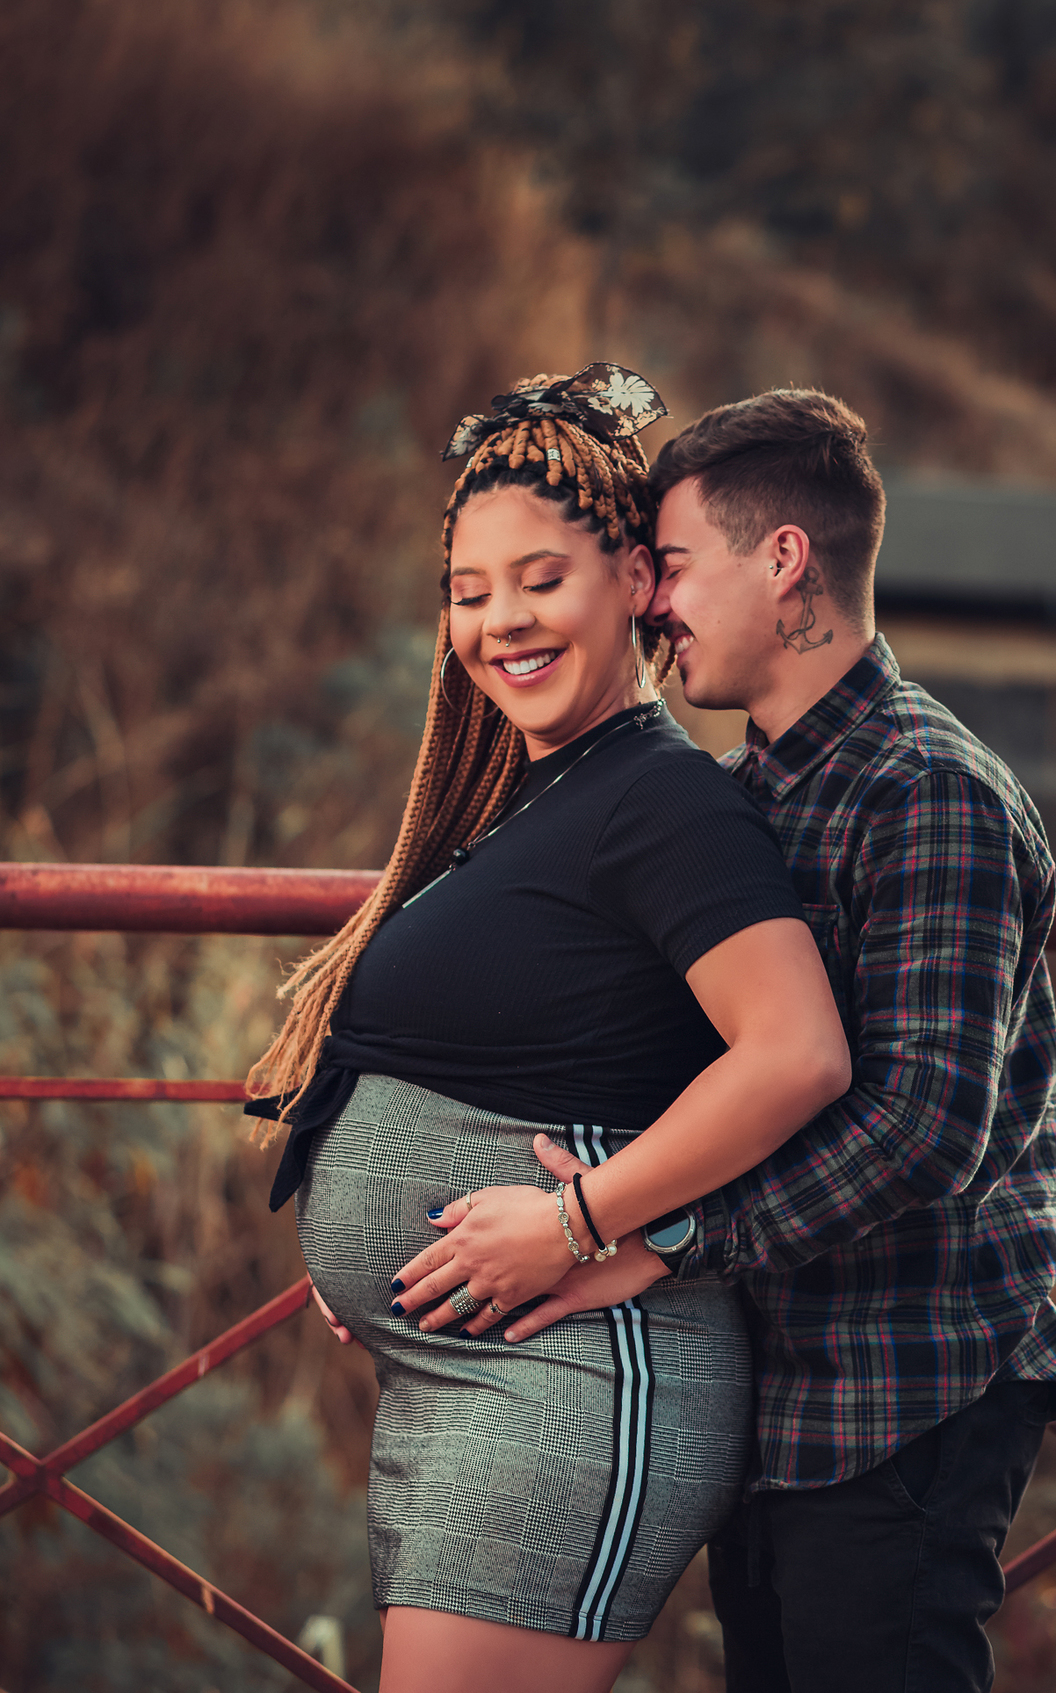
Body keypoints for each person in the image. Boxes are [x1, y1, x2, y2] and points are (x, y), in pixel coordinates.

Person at [400, 388, 1056, 1693]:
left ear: (783, 561)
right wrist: (426, 1251)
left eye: (669, 567)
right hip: (780, 1391)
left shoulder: (928, 793)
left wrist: (647, 1236)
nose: (654, 605)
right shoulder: (747, 793)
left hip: (903, 1387)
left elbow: (922, 1130)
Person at [243, 365, 851, 1693]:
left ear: (635, 580)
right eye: (469, 592)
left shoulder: (666, 804)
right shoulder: (534, 800)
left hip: (570, 1386)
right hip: (479, 1382)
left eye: (541, 579)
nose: (500, 620)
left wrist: (577, 1221)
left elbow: (797, 1051)